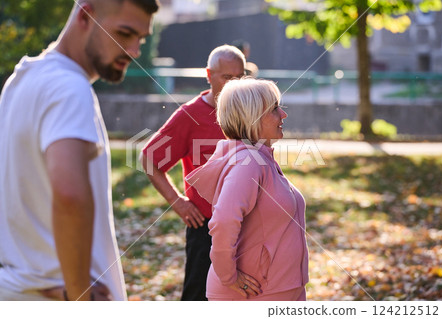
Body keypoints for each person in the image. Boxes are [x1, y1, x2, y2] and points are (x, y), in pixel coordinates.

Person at [0, 0, 159, 301]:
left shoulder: (19, 81)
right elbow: (70, 195)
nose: (135, 51)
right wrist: (80, 298)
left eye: (141, 38)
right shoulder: (69, 87)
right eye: (124, 34)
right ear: (86, 15)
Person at [185, 78, 309, 300]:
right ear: (251, 117)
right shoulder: (249, 162)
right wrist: (229, 277)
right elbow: (223, 220)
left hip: (277, 290)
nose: (283, 114)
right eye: (274, 109)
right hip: (254, 294)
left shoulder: (261, 159)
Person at [140, 45, 246, 300]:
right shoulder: (190, 115)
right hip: (206, 229)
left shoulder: (248, 112)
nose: (234, 85)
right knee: (198, 298)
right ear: (208, 74)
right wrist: (178, 203)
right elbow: (148, 159)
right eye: (227, 77)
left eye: (239, 78)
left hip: (246, 226)